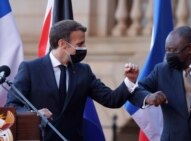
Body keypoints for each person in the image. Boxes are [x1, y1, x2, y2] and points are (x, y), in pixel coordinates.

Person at [5, 20, 167, 141]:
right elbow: (12, 106)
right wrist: (36, 115)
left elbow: (111, 100)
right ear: (62, 44)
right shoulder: (30, 69)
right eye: (79, 44)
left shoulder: (83, 71)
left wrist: (129, 81)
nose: (83, 48)